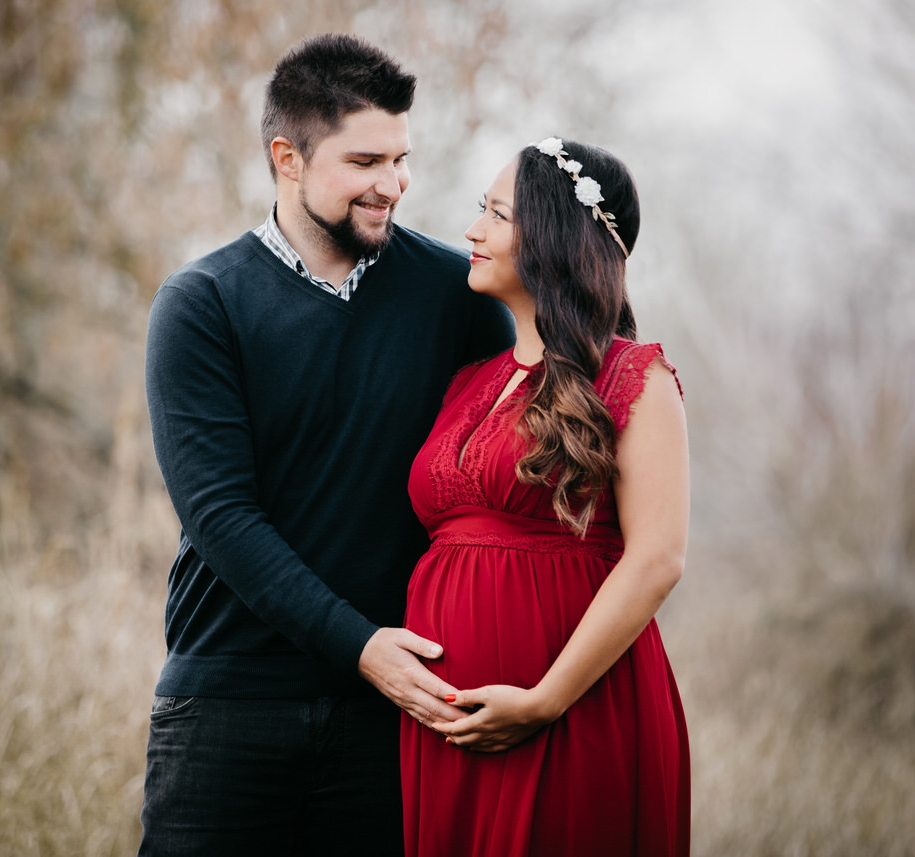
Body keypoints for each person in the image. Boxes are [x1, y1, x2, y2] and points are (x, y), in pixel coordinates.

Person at [138, 34, 514, 856]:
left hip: (394, 719)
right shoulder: (201, 307)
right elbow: (222, 517)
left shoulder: (457, 299)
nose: (393, 184)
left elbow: (512, 472)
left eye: (402, 158)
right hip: (228, 703)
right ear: (289, 157)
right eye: (366, 160)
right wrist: (362, 648)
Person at [400, 137, 691, 856]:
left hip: (572, 713)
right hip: (446, 727)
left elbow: (658, 558)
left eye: (496, 215)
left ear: (552, 239)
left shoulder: (634, 377)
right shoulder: (469, 378)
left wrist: (542, 701)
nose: (473, 230)